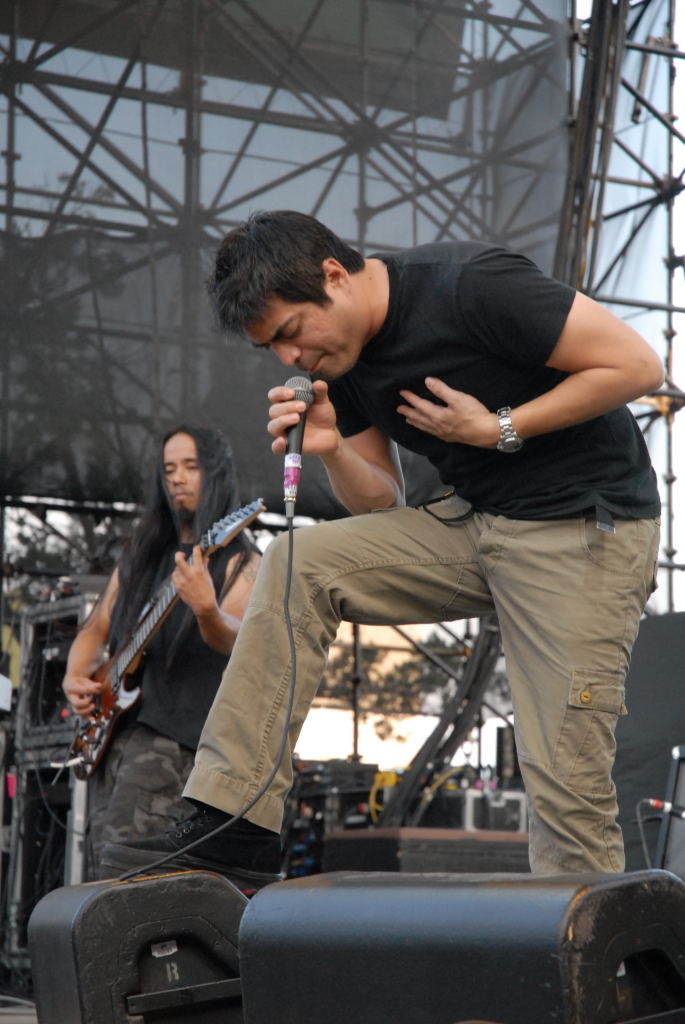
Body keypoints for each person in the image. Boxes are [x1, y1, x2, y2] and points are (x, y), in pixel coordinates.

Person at [101, 210, 663, 888]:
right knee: (298, 563)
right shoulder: (338, 360)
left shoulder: (470, 285)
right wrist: (331, 449)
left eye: (289, 331)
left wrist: (499, 428)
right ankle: (236, 819)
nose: (288, 357)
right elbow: (381, 502)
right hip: (473, 521)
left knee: (564, 783)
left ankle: (586, 948)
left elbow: (637, 364)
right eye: (271, 347)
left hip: (581, 528)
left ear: (333, 276)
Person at [63, 425, 262, 878]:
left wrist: (207, 609)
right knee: (101, 864)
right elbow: (96, 628)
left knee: (126, 871)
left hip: (175, 740)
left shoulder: (241, 562)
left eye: (191, 466)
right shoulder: (142, 554)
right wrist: (76, 675)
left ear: (216, 474)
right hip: (117, 734)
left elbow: (237, 641)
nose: (177, 478)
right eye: (169, 468)